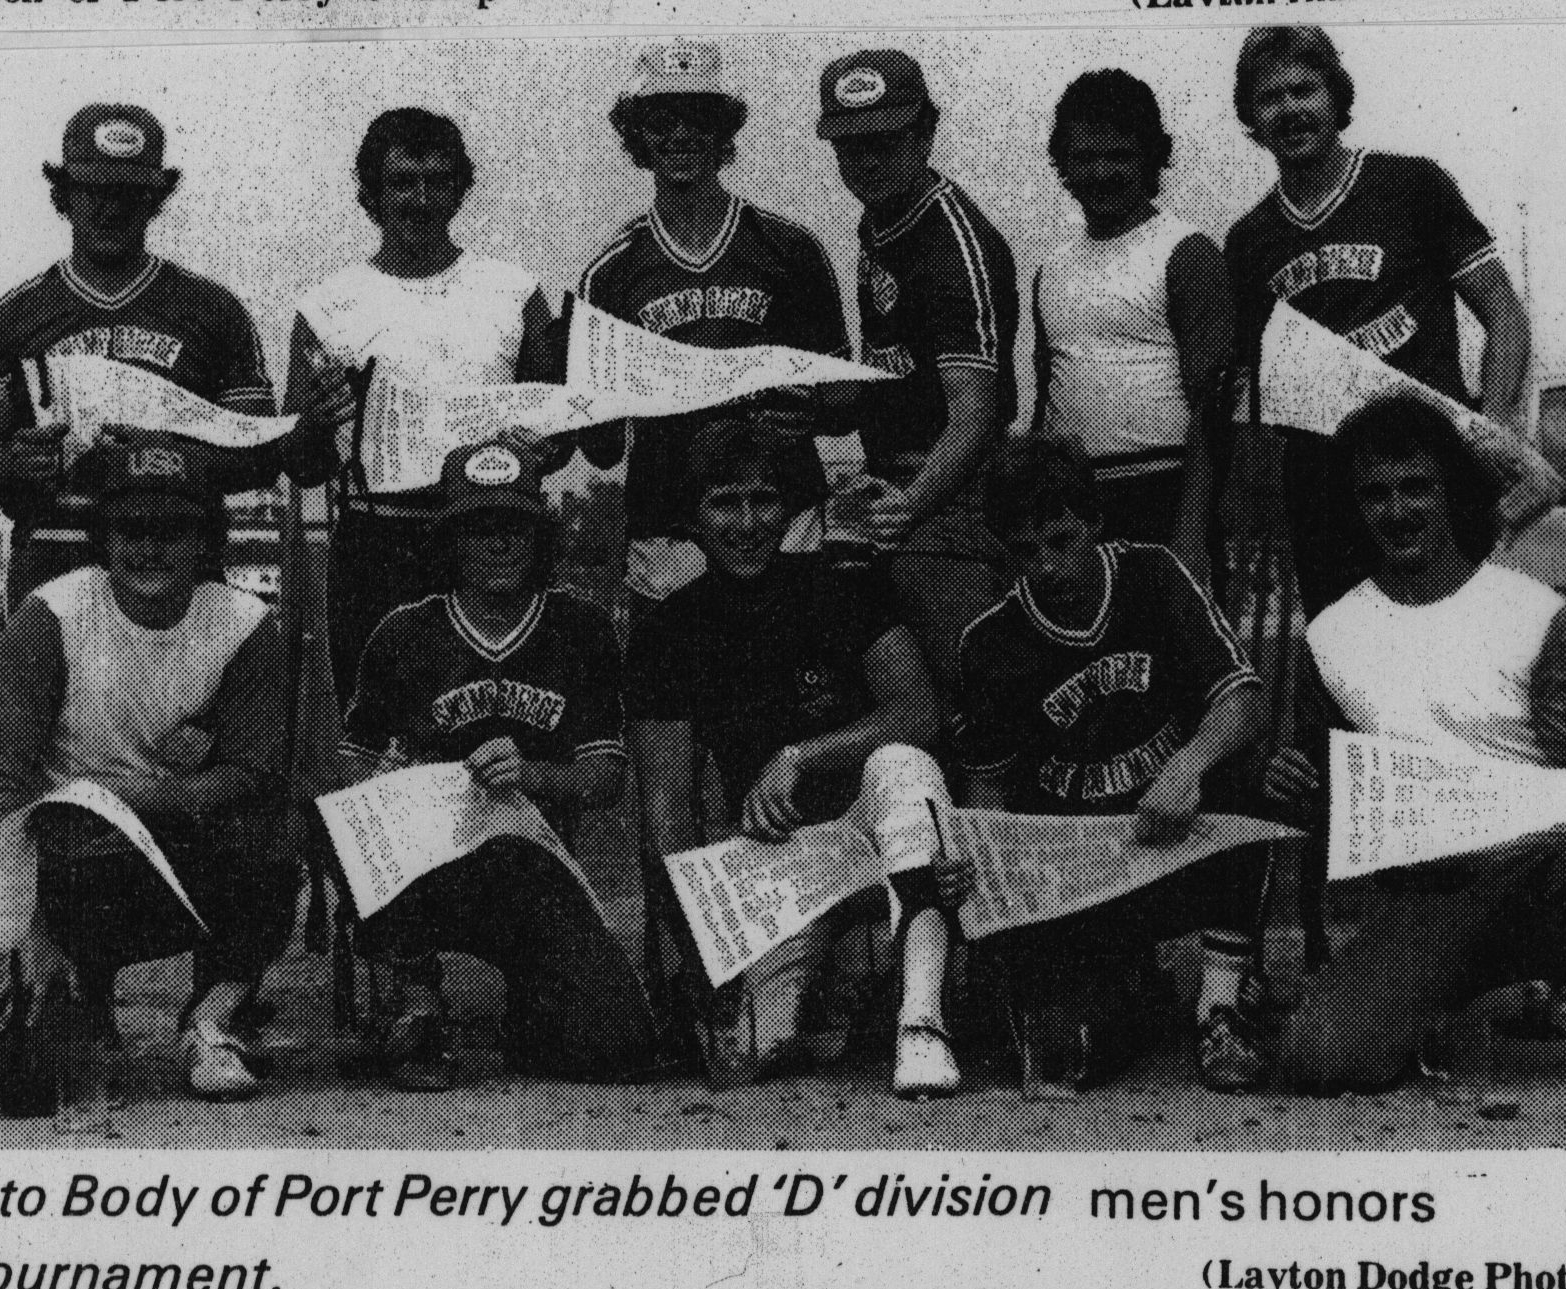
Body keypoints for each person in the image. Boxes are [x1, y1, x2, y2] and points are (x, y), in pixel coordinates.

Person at [1262, 396, 1566, 1092]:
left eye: (1416, 486)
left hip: (1546, 871)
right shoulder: (1331, 637)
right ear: (1355, 507)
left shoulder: (1531, 611)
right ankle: (1458, 998)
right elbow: (1329, 811)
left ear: (1449, 488)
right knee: (1316, 1057)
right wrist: (1291, 785)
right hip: (1430, 898)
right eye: (1376, 494)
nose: (1397, 511)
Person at [627, 418, 964, 1096]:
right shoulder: (668, 628)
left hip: (874, 840)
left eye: (764, 500)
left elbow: (917, 712)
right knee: (753, 1052)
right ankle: (843, 983)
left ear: (790, 508)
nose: (747, 522)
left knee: (900, 766)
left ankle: (921, 1025)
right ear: (693, 516)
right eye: (724, 501)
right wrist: (706, 966)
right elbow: (667, 814)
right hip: (782, 859)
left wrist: (798, 754)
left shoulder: (837, 584)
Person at [0, 438, 302, 1102]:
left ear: (204, 538)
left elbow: (254, 771)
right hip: (66, 854)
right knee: (30, 1092)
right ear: (103, 535)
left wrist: (144, 797)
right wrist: (22, 917)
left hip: (179, 844)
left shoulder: (243, 623)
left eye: (172, 528)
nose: (149, 548)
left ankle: (213, 1017)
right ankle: (77, 1002)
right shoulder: (53, 614)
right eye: (130, 528)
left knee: (279, 833)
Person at [335, 439, 660, 1091]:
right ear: (449, 539)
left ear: (539, 536)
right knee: (344, 827)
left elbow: (606, 778)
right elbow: (349, 766)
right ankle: (412, 997)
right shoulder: (404, 631)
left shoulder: (580, 628)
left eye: (514, 525)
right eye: (479, 526)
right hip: (425, 872)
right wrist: (385, 786)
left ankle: (533, 1012)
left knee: (618, 1047)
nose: (499, 543)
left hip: (531, 870)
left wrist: (535, 773)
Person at [955, 441, 1274, 1092]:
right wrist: (976, 858)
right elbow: (986, 784)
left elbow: (1242, 699)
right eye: (1024, 550)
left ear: (1094, 521)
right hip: (1076, 871)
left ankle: (1219, 1004)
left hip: (1167, 838)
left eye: (1060, 539)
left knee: (1248, 770)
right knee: (1064, 1059)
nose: (1046, 565)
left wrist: (1189, 762)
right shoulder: (988, 641)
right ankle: (1130, 988)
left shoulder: (1152, 575)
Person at [0, 103, 345, 606]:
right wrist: (22, 463)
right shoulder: (10, 317)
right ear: (62, 195)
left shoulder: (215, 311)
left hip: (182, 568)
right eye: (94, 191)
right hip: (57, 564)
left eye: (129, 192)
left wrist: (167, 451)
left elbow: (258, 458)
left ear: (156, 199)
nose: (111, 209)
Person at [1224, 25, 1545, 616]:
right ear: (1250, 114)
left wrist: (1493, 424)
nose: (1289, 110)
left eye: (1304, 90)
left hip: (1429, 473)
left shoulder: (1410, 184)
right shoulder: (1247, 240)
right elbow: (1255, 391)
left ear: (1336, 97)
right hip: (1325, 487)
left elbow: (1503, 312)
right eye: (1269, 98)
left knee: (1455, 657)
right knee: (1350, 674)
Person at [289, 108, 565, 707]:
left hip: (491, 531)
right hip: (375, 541)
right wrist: (315, 419)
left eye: (438, 181)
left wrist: (543, 444)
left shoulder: (513, 292)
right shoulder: (328, 305)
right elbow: (304, 465)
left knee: (499, 723)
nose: (420, 200)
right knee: (381, 739)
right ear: (369, 193)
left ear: (462, 187)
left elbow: (556, 434)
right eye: (401, 183)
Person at [578, 41, 848, 612]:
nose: (680, 134)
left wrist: (815, 409)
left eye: (698, 117)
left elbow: (844, 402)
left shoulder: (789, 249)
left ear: (724, 129)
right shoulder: (610, 273)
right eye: (660, 119)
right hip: (669, 526)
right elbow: (600, 449)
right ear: (637, 136)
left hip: (782, 516)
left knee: (795, 691)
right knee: (679, 696)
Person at [813, 49, 1020, 747]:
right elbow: (894, 375)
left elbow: (975, 412)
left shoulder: (951, 240)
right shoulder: (878, 223)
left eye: (883, 142)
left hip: (949, 499)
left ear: (924, 134)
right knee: (910, 715)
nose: (865, 161)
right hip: (895, 491)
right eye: (849, 145)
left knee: (969, 713)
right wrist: (811, 407)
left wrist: (910, 505)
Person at [1033, 69, 1233, 579]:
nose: (1102, 172)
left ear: (1151, 157)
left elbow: (1214, 408)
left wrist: (1189, 536)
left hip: (1165, 492)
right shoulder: (1051, 268)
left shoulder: (1186, 251)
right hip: (1073, 505)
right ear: (1062, 163)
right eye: (1085, 157)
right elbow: (1044, 403)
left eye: (1119, 156)